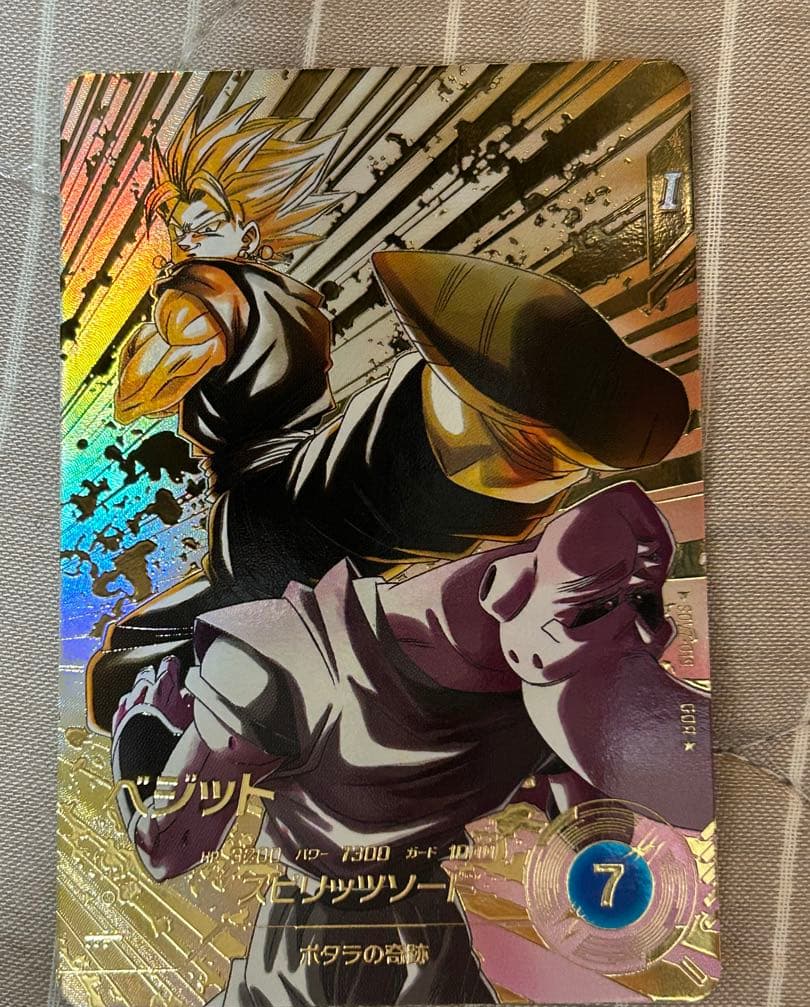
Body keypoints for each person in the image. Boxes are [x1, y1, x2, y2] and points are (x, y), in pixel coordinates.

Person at [87, 98, 690, 735]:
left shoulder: (207, 290)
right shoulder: (302, 306)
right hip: (339, 512)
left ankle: (512, 438)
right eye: (180, 224)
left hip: (273, 504)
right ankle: (532, 455)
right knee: (156, 647)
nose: (186, 236)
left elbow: (136, 393)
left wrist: (171, 291)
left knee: (154, 652)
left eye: (203, 221)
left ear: (247, 234)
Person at [110, 481, 710, 1007]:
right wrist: (141, 734)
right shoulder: (283, 665)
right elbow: (168, 854)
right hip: (318, 963)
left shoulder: (538, 684)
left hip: (429, 949)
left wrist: (139, 737)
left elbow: (593, 826)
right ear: (506, 591)